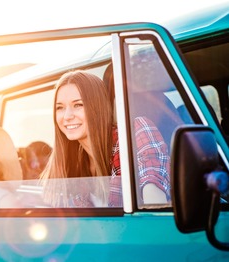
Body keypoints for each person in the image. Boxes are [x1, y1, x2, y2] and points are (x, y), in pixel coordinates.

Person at [40, 70, 170, 207]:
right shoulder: (73, 165)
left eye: (78, 105)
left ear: (97, 106)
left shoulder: (134, 133)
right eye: (60, 108)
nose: (67, 116)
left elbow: (155, 205)